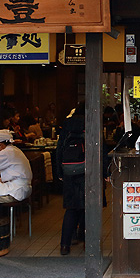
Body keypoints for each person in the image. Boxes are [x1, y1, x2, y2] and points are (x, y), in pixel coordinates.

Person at [57, 105, 86, 256]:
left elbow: (59, 148)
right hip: (87, 173)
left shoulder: (67, 125)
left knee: (71, 209)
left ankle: (65, 245)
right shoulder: (90, 122)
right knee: (88, 206)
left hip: (69, 173)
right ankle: (87, 243)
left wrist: (59, 172)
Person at [0, 129, 32, 203]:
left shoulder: (6, 153)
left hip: (15, 191)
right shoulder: (15, 150)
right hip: (23, 189)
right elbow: (15, 174)